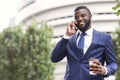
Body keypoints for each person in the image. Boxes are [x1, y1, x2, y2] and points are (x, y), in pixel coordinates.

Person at [51, 6, 118, 80]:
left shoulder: (104, 38)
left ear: (90, 17)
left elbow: (113, 64)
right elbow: (54, 58)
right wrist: (67, 35)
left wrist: (104, 70)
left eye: (83, 16)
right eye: (76, 17)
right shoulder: (69, 39)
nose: (79, 19)